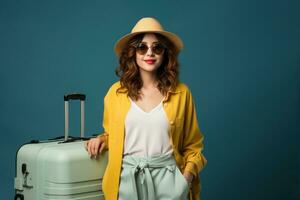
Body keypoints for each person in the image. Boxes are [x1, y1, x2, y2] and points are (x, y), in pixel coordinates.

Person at [85, 17, 207, 200]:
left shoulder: (182, 93)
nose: (150, 53)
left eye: (157, 47)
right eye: (142, 47)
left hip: (170, 183)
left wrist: (185, 179)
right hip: (127, 183)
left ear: (165, 53)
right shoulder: (115, 93)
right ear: (132, 52)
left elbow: (193, 145)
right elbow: (116, 133)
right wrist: (102, 139)